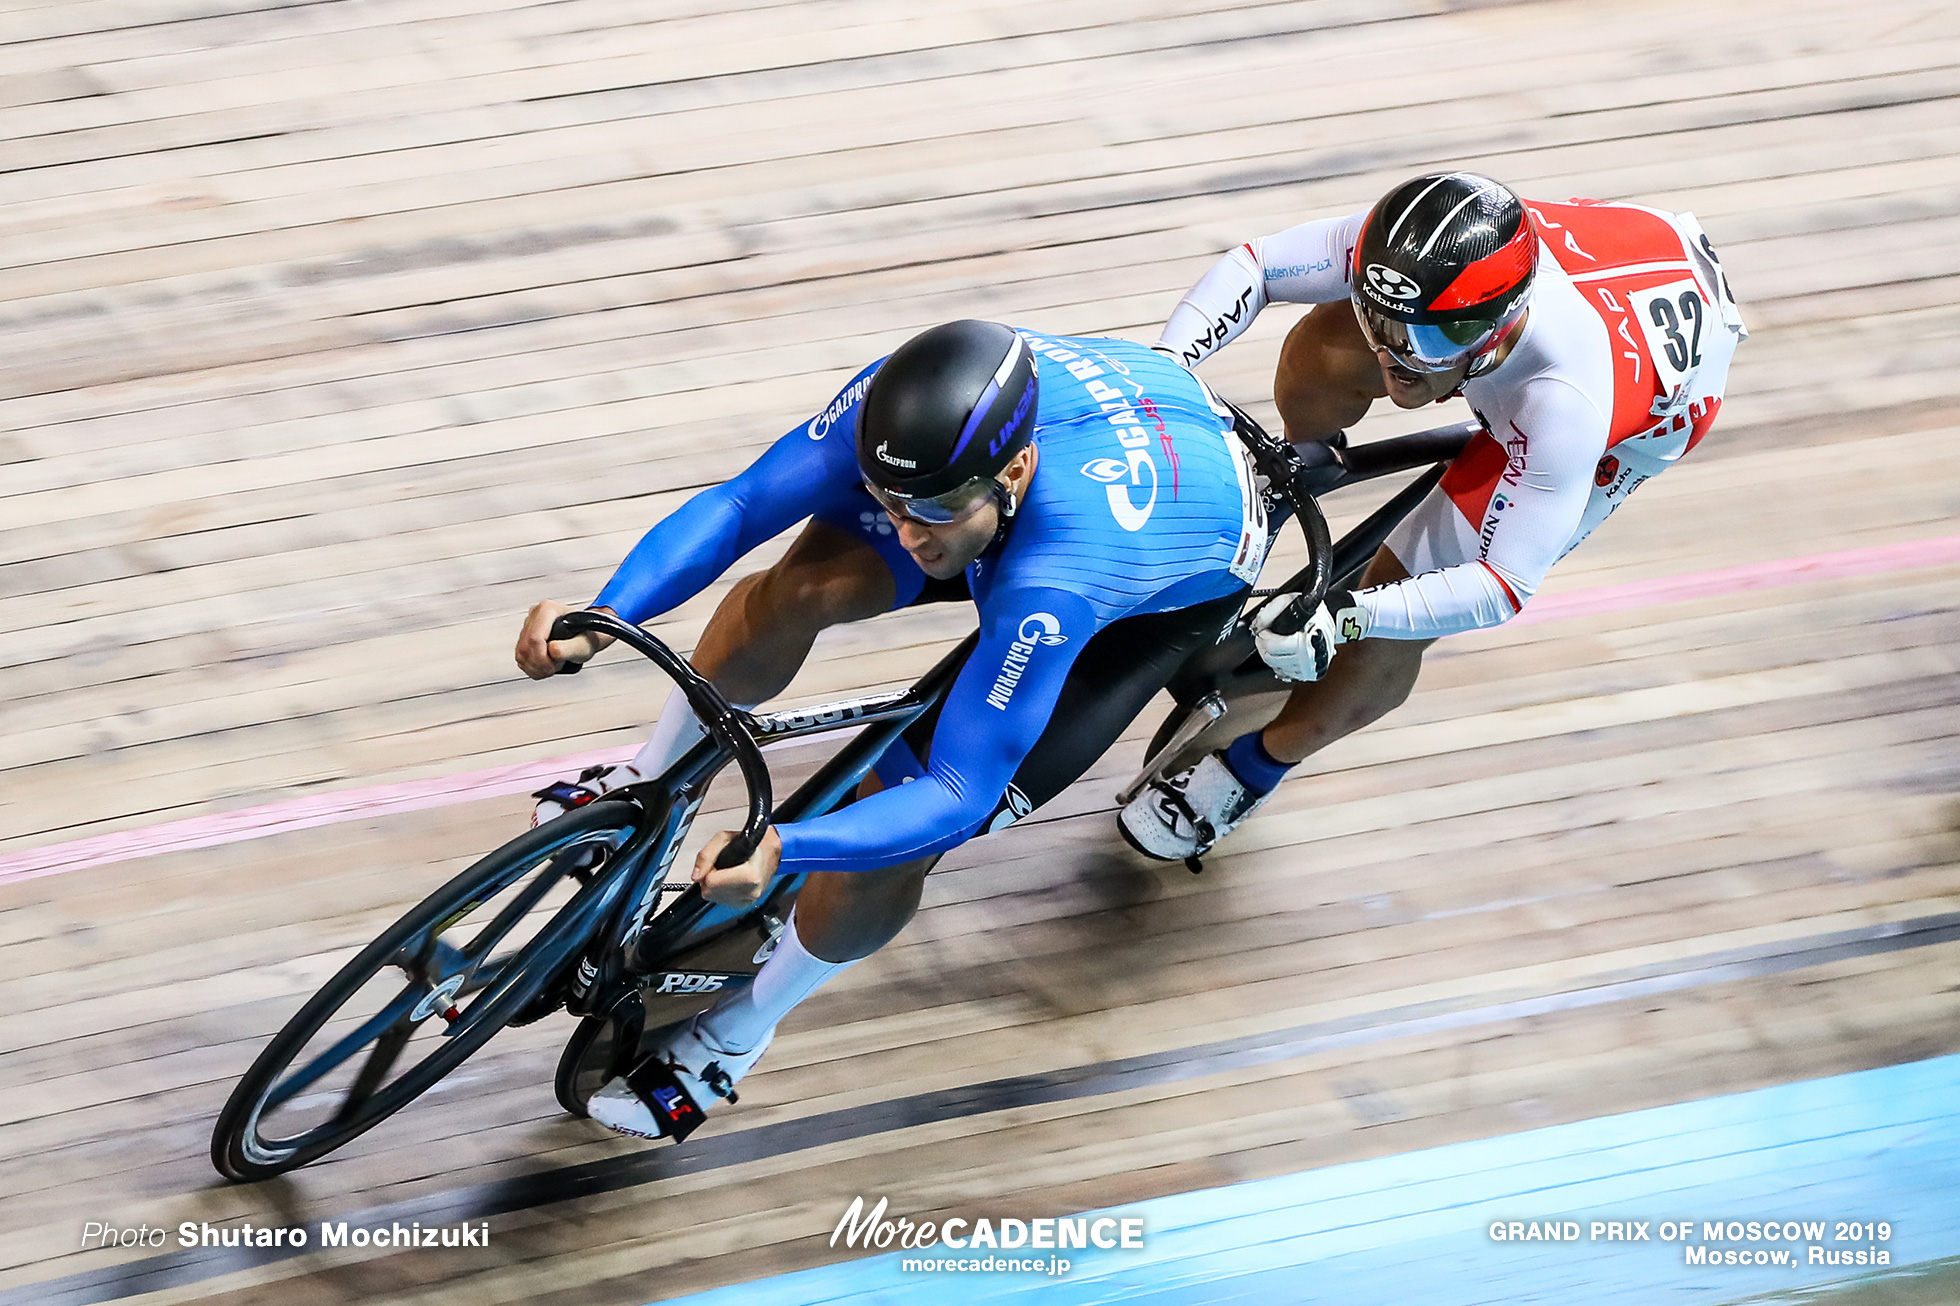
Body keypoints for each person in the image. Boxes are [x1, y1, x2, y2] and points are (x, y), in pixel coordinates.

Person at [514, 319, 1272, 1140]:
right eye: (889, 500)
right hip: (1053, 466)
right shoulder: (899, 421)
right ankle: (648, 787)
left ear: (1013, 470)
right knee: (792, 592)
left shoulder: (1058, 576)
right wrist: (607, 612)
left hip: (1145, 577)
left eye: (933, 510)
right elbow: (740, 506)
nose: (909, 532)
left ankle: (739, 1033)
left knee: (900, 822)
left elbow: (954, 791)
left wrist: (786, 849)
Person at [1118, 171, 1747, 860]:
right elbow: (1257, 266)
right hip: (1612, 257)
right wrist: (1166, 365)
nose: (1396, 359)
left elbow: (1500, 586)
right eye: (1382, 322)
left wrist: (1347, 618)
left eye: (1429, 344)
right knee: (1325, 343)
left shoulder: (1567, 406)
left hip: (1642, 415)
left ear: (1495, 328)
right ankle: (1297, 468)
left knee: (1395, 604)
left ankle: (1255, 766)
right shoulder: (1416, 255)